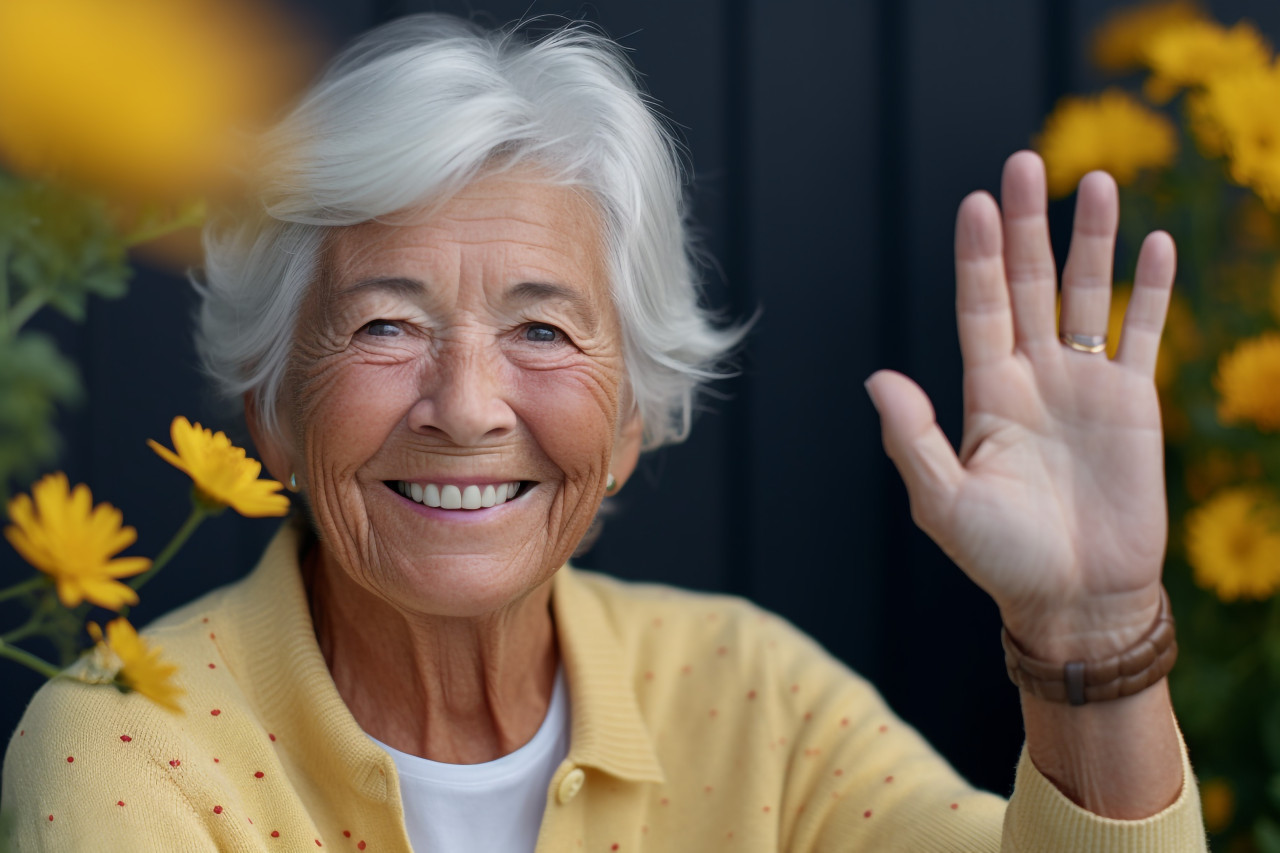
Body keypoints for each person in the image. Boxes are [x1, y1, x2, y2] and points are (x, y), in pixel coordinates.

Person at [2, 13, 1207, 851]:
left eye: (540, 329)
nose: (466, 405)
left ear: (632, 419)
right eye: (384, 325)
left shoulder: (753, 700)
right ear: (269, 410)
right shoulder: (131, 747)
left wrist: (1091, 639)